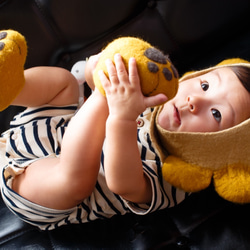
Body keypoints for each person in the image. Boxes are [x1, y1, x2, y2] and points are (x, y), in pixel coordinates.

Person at [1, 49, 250, 230]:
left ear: (219, 150)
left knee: (76, 180)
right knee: (63, 82)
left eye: (216, 114)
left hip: (40, 185)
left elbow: (124, 184)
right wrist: (99, 69)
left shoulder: (178, 175)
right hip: (47, 130)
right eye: (204, 85)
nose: (195, 101)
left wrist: (121, 116)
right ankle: (8, 83)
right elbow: (90, 80)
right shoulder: (153, 93)